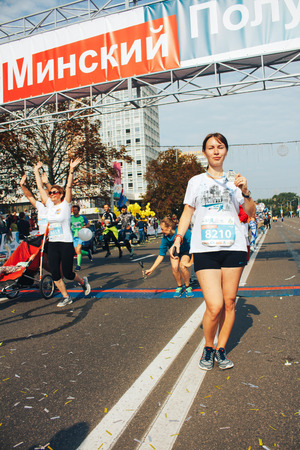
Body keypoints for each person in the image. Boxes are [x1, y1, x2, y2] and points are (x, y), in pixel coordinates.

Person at [171, 132, 256, 370]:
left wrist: (246, 191)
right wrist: (178, 238)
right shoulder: (196, 181)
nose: (216, 150)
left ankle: (221, 349)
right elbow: (188, 212)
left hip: (233, 247)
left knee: (229, 303)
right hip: (205, 248)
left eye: (220, 146)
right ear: (205, 152)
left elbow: (250, 212)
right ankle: (208, 346)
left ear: (226, 151)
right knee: (215, 304)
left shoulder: (234, 181)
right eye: (211, 147)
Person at [34, 160, 91, 308]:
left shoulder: (66, 205)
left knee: (68, 273)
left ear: (61, 195)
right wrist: (36, 171)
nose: (52, 194)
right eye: (51, 192)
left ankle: (83, 282)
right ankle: (66, 297)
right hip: (53, 243)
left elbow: (69, 186)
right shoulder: (49, 205)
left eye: (55, 192)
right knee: (55, 273)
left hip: (65, 243)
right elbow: (40, 187)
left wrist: (71, 170)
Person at [145, 216, 194, 298]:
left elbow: (194, 245)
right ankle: (179, 287)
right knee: (174, 268)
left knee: (182, 266)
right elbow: (161, 255)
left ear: (169, 227)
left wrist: (190, 262)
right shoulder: (165, 237)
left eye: (162, 229)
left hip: (186, 250)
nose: (161, 231)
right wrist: (151, 269)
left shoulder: (183, 231)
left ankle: (187, 286)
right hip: (174, 250)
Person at [71, 204, 93, 271]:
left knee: (78, 250)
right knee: (77, 251)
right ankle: (87, 253)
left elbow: (88, 224)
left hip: (80, 235)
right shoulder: (70, 218)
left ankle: (78, 266)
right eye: (73, 210)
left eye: (75, 210)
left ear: (78, 211)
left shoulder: (82, 217)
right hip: (73, 236)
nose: (74, 211)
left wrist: (85, 226)